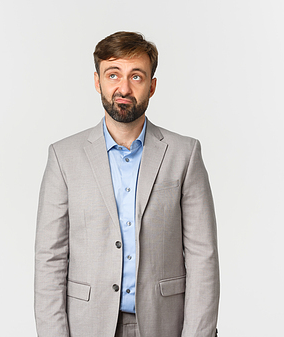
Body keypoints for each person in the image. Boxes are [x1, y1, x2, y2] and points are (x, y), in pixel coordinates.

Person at [35, 31, 219, 337]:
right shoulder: (63, 157)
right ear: (97, 82)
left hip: (164, 324)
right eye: (113, 75)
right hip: (87, 324)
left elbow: (203, 257)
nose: (124, 87)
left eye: (136, 76)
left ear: (152, 85)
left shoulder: (184, 154)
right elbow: (50, 258)